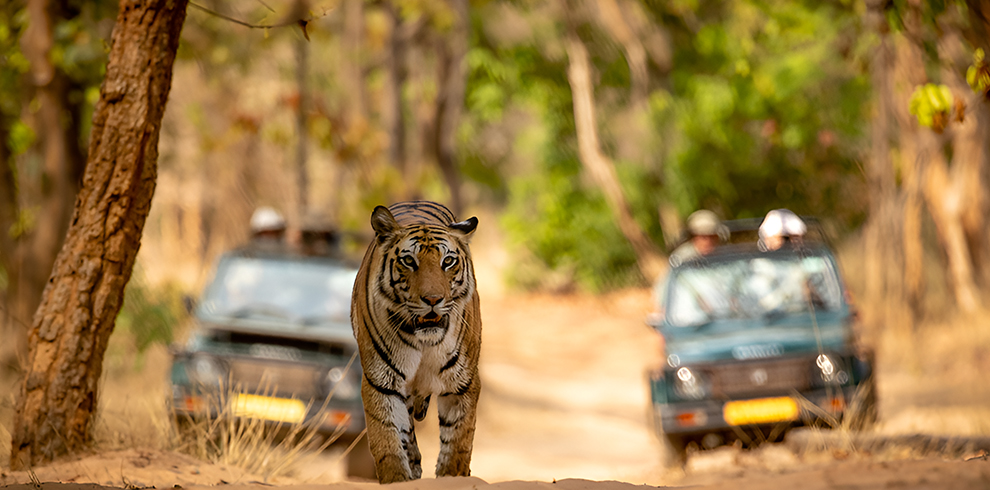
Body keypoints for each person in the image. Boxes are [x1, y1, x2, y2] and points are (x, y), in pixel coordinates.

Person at [648, 210, 729, 325]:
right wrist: (662, 311)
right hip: (692, 320)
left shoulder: (727, 258)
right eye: (702, 236)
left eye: (711, 236)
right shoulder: (682, 258)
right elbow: (665, 288)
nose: (707, 241)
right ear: (693, 237)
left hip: (725, 317)